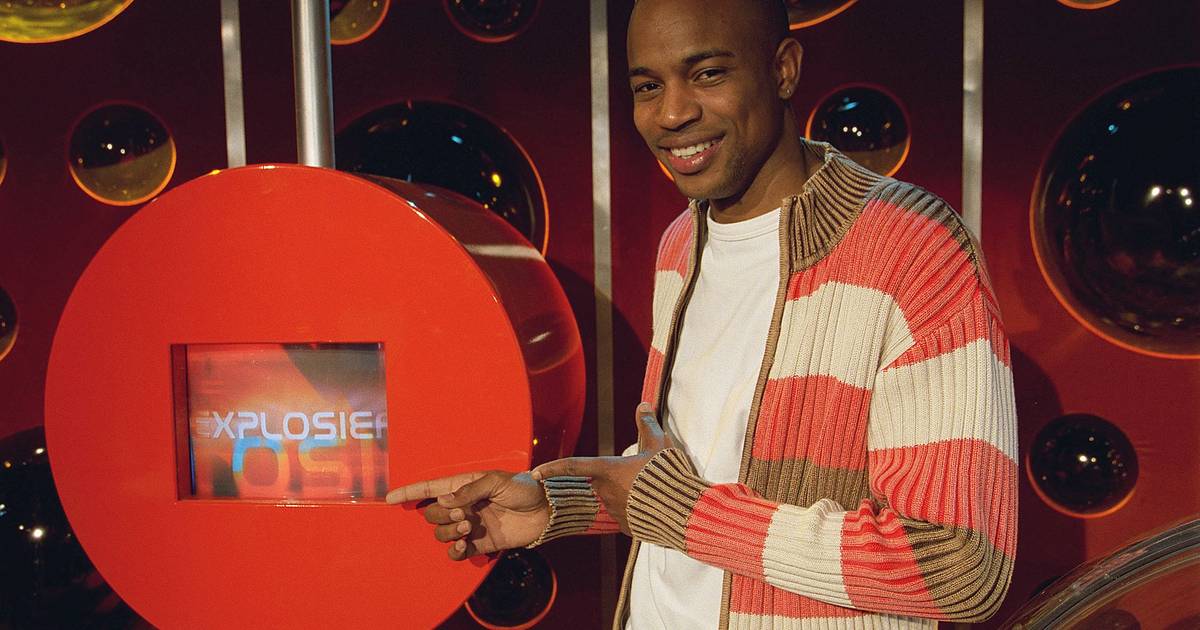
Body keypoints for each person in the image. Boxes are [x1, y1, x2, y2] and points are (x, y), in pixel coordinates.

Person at [387, 0, 1018, 627]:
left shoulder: (915, 248)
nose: (672, 113)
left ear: (783, 69)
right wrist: (559, 505)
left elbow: (960, 566)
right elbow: (699, 473)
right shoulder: (681, 244)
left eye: (708, 73)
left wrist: (681, 512)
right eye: (647, 86)